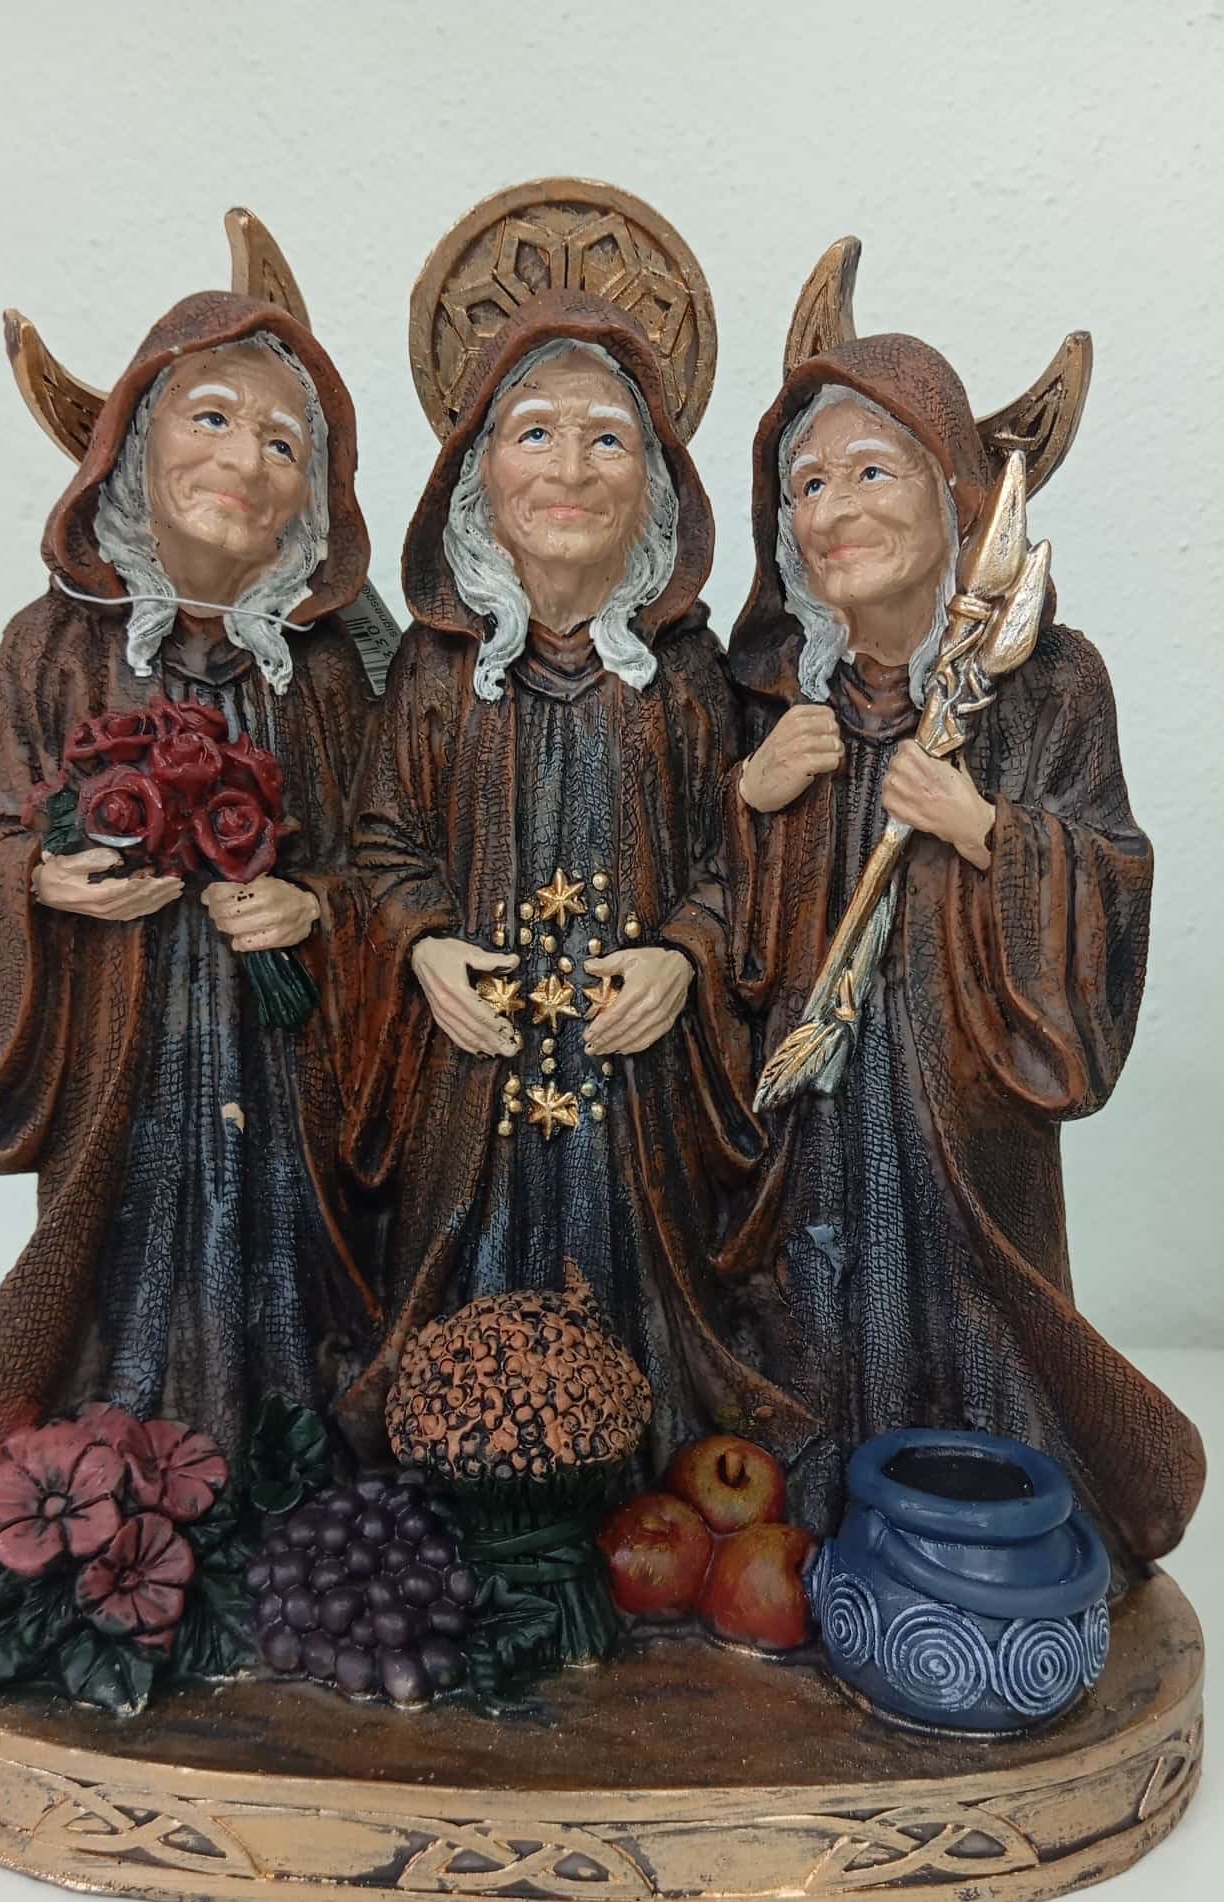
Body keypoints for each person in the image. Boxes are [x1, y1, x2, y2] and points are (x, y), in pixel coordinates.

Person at [726, 331, 1205, 1565]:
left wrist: (987, 830)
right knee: (808, 1289)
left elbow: (1112, 866)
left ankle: (980, 1527)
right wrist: (752, 796)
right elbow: (702, 901)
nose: (836, 511)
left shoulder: (1047, 684)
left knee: (968, 1311)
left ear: (957, 495)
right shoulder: (775, 693)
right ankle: (814, 1527)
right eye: (808, 484)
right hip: (812, 1106)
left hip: (964, 1098)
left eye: (871, 473)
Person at [0, 289, 379, 1512]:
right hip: (116, 1042)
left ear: (313, 498)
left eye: (283, 444)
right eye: (211, 417)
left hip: (276, 1069)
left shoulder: (325, 674)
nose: (244, 461)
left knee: (283, 1248)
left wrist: (312, 911)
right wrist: (37, 877)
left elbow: (381, 865)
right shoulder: (53, 646)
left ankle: (282, 1461)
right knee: (121, 1240)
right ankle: (107, 1469)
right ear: (132, 441)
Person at [341, 293, 806, 1473]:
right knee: (460, 1265)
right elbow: (379, 840)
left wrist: (684, 956)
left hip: (638, 1077)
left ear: (656, 486)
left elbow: (741, 850)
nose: (570, 468)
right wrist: (423, 946)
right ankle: (462, 1460)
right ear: (478, 476)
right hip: (475, 1071)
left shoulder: (687, 674)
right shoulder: (435, 673)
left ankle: (641, 1464)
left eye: (609, 438)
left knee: (645, 1265)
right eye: (535, 432)